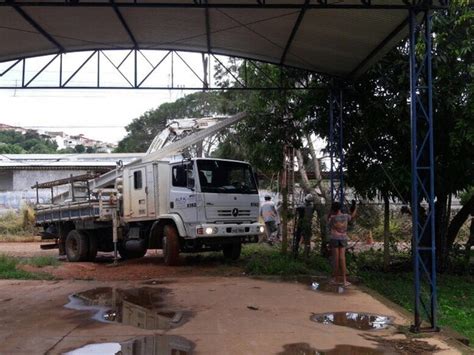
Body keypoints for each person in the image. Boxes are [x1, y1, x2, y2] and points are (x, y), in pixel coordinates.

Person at [328, 200, 357, 286]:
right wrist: (355, 208)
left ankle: (336, 279)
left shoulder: (332, 218)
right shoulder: (346, 216)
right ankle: (344, 280)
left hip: (334, 238)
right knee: (342, 258)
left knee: (336, 259)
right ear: (340, 208)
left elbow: (328, 222)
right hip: (343, 238)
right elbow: (352, 216)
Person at [293, 193, 315, 258]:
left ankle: (296, 251)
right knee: (307, 239)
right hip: (308, 224)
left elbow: (296, 209)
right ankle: (306, 253)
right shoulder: (312, 207)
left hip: (301, 224)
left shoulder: (301, 207)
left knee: (298, 238)